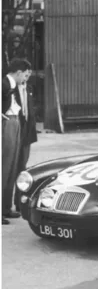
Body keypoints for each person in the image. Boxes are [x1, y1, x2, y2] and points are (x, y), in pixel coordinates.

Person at [2, 58, 31, 224]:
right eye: (25, 75)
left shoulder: (15, 86)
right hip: (7, 123)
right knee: (4, 168)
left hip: (15, 122)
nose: (25, 79)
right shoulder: (4, 84)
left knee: (12, 168)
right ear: (19, 72)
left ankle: (5, 208)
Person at [15, 68, 37, 213]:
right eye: (25, 74)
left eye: (29, 75)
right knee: (13, 168)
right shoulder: (12, 88)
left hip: (27, 134)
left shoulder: (28, 88)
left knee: (23, 168)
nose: (26, 77)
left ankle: (18, 202)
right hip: (17, 131)